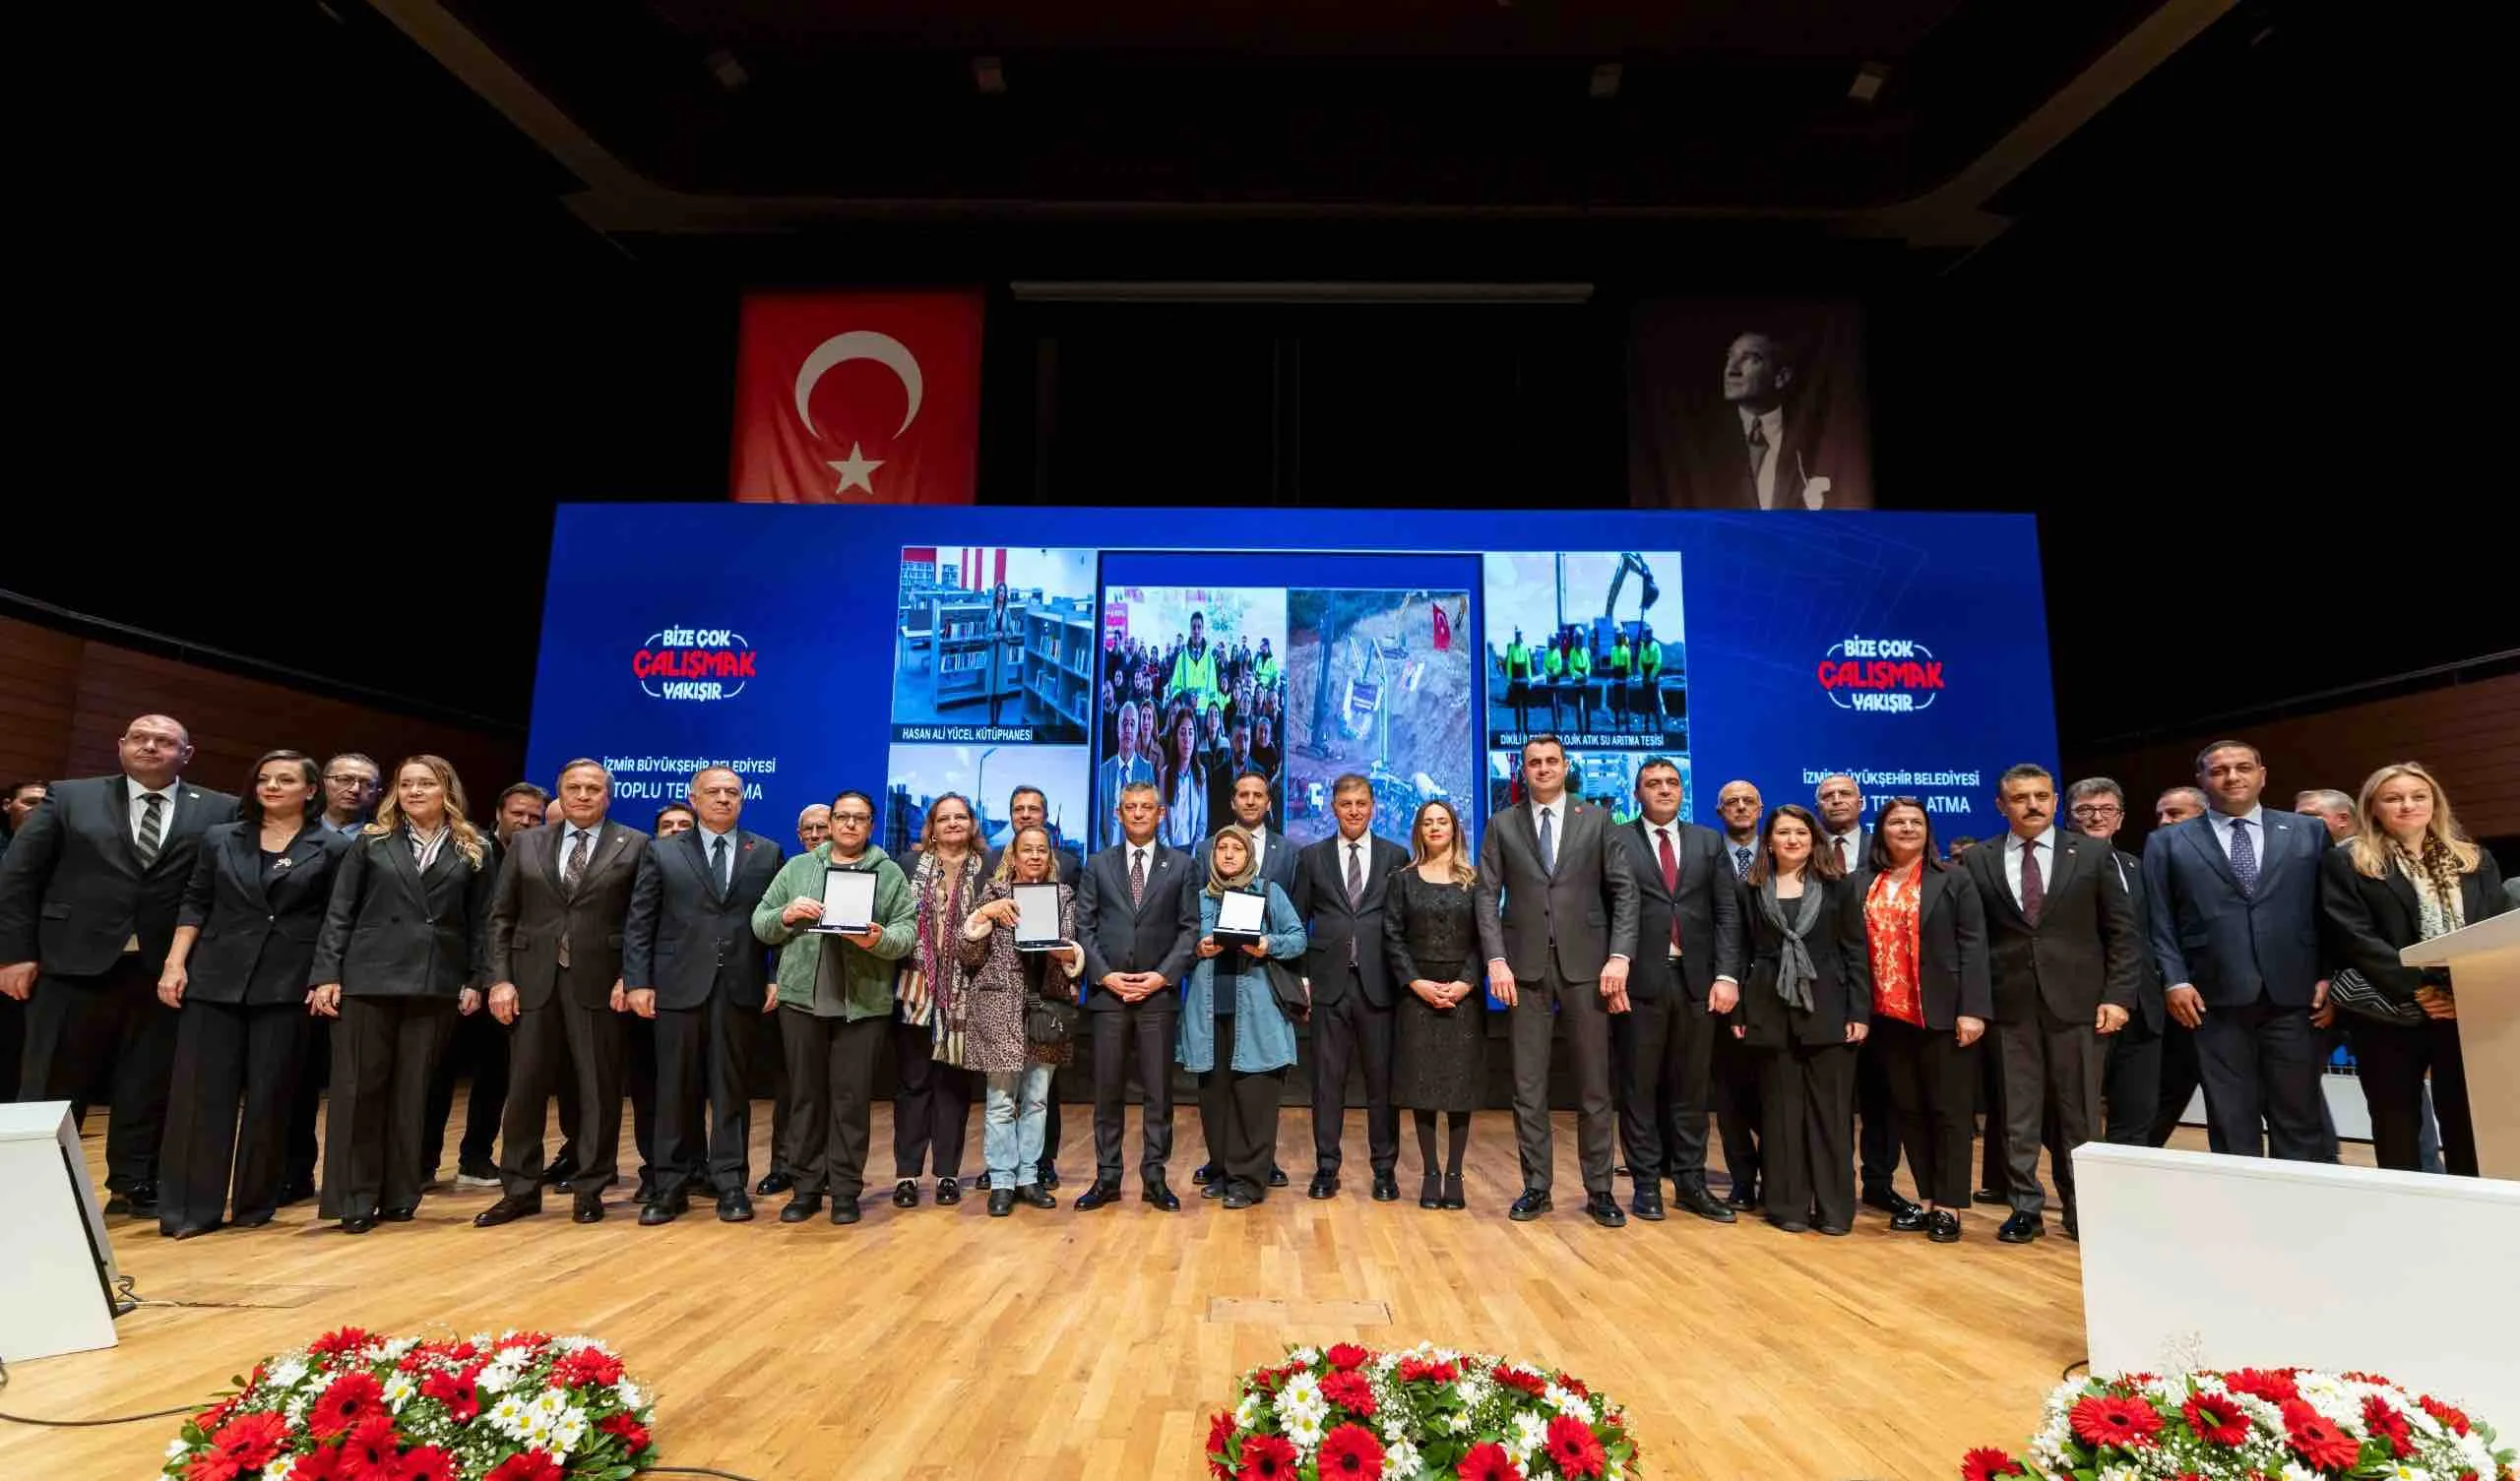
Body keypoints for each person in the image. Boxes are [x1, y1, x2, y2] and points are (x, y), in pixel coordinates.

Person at [0, 713, 237, 1216]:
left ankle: (134, 1182)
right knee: (49, 1081)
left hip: (162, 970)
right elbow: (19, 878)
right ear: (122, 746)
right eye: (140, 739)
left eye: (165, 742)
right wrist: (15, 954)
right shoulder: (69, 796)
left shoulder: (220, 808)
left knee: (148, 1080)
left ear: (186, 755)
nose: (151, 747)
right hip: (69, 962)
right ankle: (36, 1185)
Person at [154, 752, 350, 1238]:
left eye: (286, 779)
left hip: (287, 981)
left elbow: (335, 920)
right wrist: (175, 963)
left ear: (310, 790)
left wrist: (327, 976)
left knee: (271, 1095)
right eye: (264, 778)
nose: (272, 786)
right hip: (216, 976)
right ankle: (189, 1209)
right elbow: (196, 900)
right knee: (200, 1096)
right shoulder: (222, 836)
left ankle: (254, 1204)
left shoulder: (332, 847)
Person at [307, 756, 493, 1233]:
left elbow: (483, 924)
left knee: (414, 1093)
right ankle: (353, 1197)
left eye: (425, 784)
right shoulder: (372, 841)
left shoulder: (474, 846)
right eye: (406, 784)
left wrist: (475, 979)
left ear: (445, 789)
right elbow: (339, 912)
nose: (413, 791)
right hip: (368, 978)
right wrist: (326, 974)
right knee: (358, 1089)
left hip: (435, 981)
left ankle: (399, 1192)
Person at [1966, 765, 2140, 1244]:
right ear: (2001, 806)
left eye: (2042, 796)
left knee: (2079, 1115)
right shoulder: (1978, 860)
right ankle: (2025, 1206)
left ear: (2056, 801)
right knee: (2017, 1115)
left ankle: (2082, 1207)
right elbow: (1972, 942)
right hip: (2009, 1006)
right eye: (2020, 798)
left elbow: (2122, 933)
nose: (2033, 805)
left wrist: (2119, 997)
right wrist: (1975, 1004)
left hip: (2079, 1004)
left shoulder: (2090, 854)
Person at [474, 761, 650, 1226]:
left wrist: (631, 977)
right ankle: (520, 1189)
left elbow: (641, 922)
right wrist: (500, 979)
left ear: (608, 796)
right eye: (574, 787)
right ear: (560, 794)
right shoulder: (528, 842)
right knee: (525, 1088)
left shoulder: (634, 844)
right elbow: (500, 917)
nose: (584, 795)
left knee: (598, 1089)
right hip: (531, 981)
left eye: (594, 788)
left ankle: (590, 1186)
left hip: (600, 982)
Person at [1475, 734, 1640, 1227]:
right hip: (1522, 969)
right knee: (1528, 1085)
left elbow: (1624, 893)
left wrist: (1619, 957)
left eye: (1551, 761)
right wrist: (1495, 961)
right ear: (1522, 770)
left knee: (1594, 1085)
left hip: (1588, 968)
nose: (1543, 768)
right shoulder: (1502, 824)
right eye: (1534, 762)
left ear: (1566, 766)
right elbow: (1487, 897)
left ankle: (1600, 1190)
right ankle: (1536, 1187)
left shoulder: (1597, 819)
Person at [2144, 741, 2332, 1163]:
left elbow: (2328, 912)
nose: (2232, 777)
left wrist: (2328, 975)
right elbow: (2159, 920)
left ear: (2262, 774)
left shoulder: (2309, 831)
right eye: (2219, 770)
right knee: (2231, 1118)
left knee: (2299, 1114)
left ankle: (2304, 1209)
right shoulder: (2168, 842)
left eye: (2243, 767)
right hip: (2211, 997)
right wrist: (2175, 979)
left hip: (2296, 994)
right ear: (2202, 780)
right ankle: (2244, 1216)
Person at [2320, 763, 2506, 1175]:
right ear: (2374, 807)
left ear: (2434, 802)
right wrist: (2421, 989)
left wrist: (2463, 994)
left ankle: (2470, 1202)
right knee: (2396, 1124)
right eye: (2393, 798)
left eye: (2418, 796)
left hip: (2464, 1009)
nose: (2407, 805)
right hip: (2390, 1009)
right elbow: (2354, 936)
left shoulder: (2474, 859)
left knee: (2468, 1122)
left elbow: (2490, 931)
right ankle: (2405, 1212)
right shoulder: (2349, 860)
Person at [752, 789, 914, 1224]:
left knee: (850, 1100)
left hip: (862, 1006)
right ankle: (805, 1188)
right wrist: (786, 915)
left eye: (858, 818)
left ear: (870, 825)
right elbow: (761, 923)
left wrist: (877, 939)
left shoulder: (890, 873)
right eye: (841, 817)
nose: (848, 825)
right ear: (830, 822)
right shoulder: (799, 868)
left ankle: (844, 1190)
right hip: (802, 1002)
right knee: (805, 1099)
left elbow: (908, 934)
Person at [1609, 758, 1745, 1223]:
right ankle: (1646, 1184)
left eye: (1671, 782)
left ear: (1682, 790)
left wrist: (1727, 976)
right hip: (1638, 983)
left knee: (1691, 1089)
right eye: (1653, 784)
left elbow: (1728, 913)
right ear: (1637, 793)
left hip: (1697, 983)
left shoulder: (1708, 842)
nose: (1664, 790)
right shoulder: (1617, 840)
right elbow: (1603, 912)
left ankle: (1691, 1184)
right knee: (1639, 1088)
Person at [1853, 799, 1990, 1243]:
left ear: (1927, 831)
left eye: (1916, 822)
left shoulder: (1954, 878)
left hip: (1943, 1014)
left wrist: (1973, 1008)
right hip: (1886, 1016)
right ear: (1882, 830)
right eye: (1897, 822)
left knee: (1948, 1111)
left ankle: (1949, 1205)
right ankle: (1927, 1199)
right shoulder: (1863, 883)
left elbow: (1973, 946)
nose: (1907, 828)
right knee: (1909, 1110)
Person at [1735, 804, 1871, 1235]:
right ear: (1769, 841)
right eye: (1783, 833)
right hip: (1769, 1010)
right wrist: (1739, 1011)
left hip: (1829, 1008)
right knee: (1780, 1114)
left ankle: (1833, 1210)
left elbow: (1855, 953)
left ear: (1814, 841)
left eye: (1801, 833)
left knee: (1830, 1115)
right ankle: (1788, 1206)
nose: (1793, 840)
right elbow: (1740, 954)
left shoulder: (1838, 888)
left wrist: (1858, 1011)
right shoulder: (1751, 889)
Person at [1074, 780, 1199, 1211]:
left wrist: (1162, 977)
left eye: (1147, 807)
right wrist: (1104, 976)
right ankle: (1107, 1178)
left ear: (1161, 814)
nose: (1139, 814)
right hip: (1108, 996)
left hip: (1157, 997)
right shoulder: (1098, 864)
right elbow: (1083, 928)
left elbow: (1189, 930)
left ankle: (1155, 1178)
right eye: (1131, 807)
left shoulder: (1181, 866)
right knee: (1107, 1091)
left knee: (1159, 1094)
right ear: (1118, 813)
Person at [1292, 774, 1410, 1202]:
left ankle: (1385, 1170)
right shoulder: (1312, 857)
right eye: (1346, 803)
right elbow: (1296, 923)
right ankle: (1326, 1167)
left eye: (1361, 802)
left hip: (1381, 986)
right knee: (1327, 1082)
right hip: (1328, 985)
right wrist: (1301, 979)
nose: (1354, 810)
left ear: (1373, 806)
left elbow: (1404, 923)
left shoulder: (1397, 856)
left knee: (1382, 1082)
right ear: (1334, 808)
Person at [959, 824, 1083, 1215]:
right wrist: (984, 915)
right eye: (1026, 849)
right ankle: (1001, 1181)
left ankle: (1029, 1177)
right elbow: (967, 953)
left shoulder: (1063, 896)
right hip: (999, 1011)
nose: (1034, 856)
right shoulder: (994, 895)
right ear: (1013, 855)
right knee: (999, 1103)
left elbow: (1072, 948)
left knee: (1036, 1102)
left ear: (1050, 857)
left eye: (1041, 850)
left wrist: (1067, 954)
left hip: (1045, 1009)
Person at [1178, 825, 1305, 1209]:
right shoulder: (1198, 899)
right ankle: (1222, 1171)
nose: (1229, 854)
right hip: (1208, 1012)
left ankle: (1249, 1181)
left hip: (1257, 1014)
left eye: (1237, 848)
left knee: (1254, 1098)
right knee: (1214, 1099)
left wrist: (1268, 944)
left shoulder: (1268, 892)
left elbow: (1298, 937)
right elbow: (1177, 947)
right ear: (1213, 856)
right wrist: (1197, 949)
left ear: (1250, 855)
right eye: (1222, 849)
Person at [1814, 772, 1905, 1223]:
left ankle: (1879, 1183)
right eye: (1827, 795)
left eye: (1844, 793)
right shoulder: (1805, 848)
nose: (1836, 801)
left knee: (1881, 1094)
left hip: (1885, 988)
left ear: (1861, 800)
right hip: (1826, 990)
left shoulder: (1885, 849)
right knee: (1831, 1098)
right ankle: (1831, 1185)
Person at [1383, 800, 1482, 1210]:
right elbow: (1392, 936)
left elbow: (1485, 938)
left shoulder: (1474, 881)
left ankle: (1455, 1173)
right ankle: (1430, 1172)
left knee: (1459, 1088)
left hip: (1464, 997)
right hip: (1417, 996)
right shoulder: (1401, 880)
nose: (1435, 828)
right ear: (1418, 831)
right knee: (1422, 1087)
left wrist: (1464, 984)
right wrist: (1417, 983)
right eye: (1428, 822)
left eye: (1442, 822)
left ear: (1454, 829)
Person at [892, 793, 984, 1210]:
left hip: (968, 995)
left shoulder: (988, 870)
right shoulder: (908, 867)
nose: (952, 824)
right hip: (916, 992)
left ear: (971, 823)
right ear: (931, 826)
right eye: (943, 818)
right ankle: (907, 1174)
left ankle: (947, 1173)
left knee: (952, 1089)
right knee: (914, 1084)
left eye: (959, 817)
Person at [2066, 778, 2167, 1146]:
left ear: (2120, 819)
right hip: (2083, 1007)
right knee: (2077, 1115)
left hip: (2142, 1007)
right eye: (2085, 810)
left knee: (2137, 1111)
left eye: (2107, 810)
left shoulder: (2136, 867)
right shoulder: (2054, 870)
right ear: (2069, 818)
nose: (2096, 818)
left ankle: (2128, 1194)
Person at [2143, 785, 2212, 1147]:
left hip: (2229, 994)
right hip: (2174, 995)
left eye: (2174, 813)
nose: (2163, 822)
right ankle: (2135, 1165)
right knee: (2168, 1088)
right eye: (2160, 814)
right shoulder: (2152, 858)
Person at [1710, 778, 1765, 1207]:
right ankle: (1742, 1178)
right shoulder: (1706, 852)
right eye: (1732, 803)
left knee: (1776, 1091)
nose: (1741, 808)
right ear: (1719, 811)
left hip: (1774, 989)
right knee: (1729, 1093)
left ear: (1760, 808)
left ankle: (1781, 1174)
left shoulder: (1784, 849)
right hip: (1721, 986)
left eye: (1748, 801)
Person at [1720, 331, 1829, 510]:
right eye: (1730, 356)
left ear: (1781, 377)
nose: (1731, 370)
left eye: (1751, 359)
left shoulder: (1814, 440)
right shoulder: (1705, 447)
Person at [1096, 700, 1154, 851]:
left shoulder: (1146, 770)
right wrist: (1105, 857)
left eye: (1133, 724)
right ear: (1118, 728)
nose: (1128, 729)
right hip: (1108, 856)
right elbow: (1097, 824)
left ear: (1137, 732)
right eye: (1124, 723)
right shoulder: (1103, 772)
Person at [1157, 708, 1209, 850]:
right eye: (1182, 733)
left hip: (1193, 851)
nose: (1187, 739)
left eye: (1190, 733)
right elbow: (1161, 823)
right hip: (1170, 851)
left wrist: (1194, 852)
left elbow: (1202, 823)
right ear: (1176, 737)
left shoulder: (1201, 773)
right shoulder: (1165, 774)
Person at [318, 756, 381, 836]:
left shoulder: (389, 840)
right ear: (323, 783)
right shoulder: (299, 832)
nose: (355, 790)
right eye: (345, 780)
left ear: (377, 793)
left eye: (367, 784)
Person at [2294, 789, 2358, 844]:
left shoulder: (2359, 854)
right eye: (2296, 817)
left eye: (2308, 815)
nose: (2298, 821)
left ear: (2343, 819)